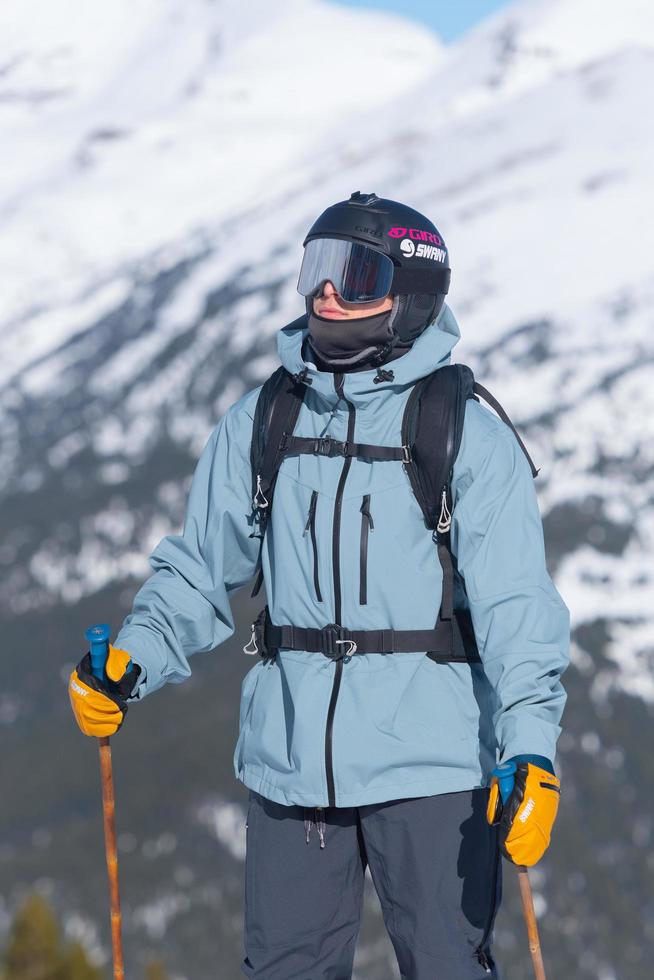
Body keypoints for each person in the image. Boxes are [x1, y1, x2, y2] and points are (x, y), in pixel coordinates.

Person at [69, 192, 570, 979]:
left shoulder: (459, 427)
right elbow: (201, 566)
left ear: (408, 294)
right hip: (291, 763)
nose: (326, 293)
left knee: (448, 966)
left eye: (355, 273)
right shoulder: (265, 416)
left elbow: (517, 613)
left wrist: (532, 752)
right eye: (316, 269)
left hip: (433, 771)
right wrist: (132, 660)